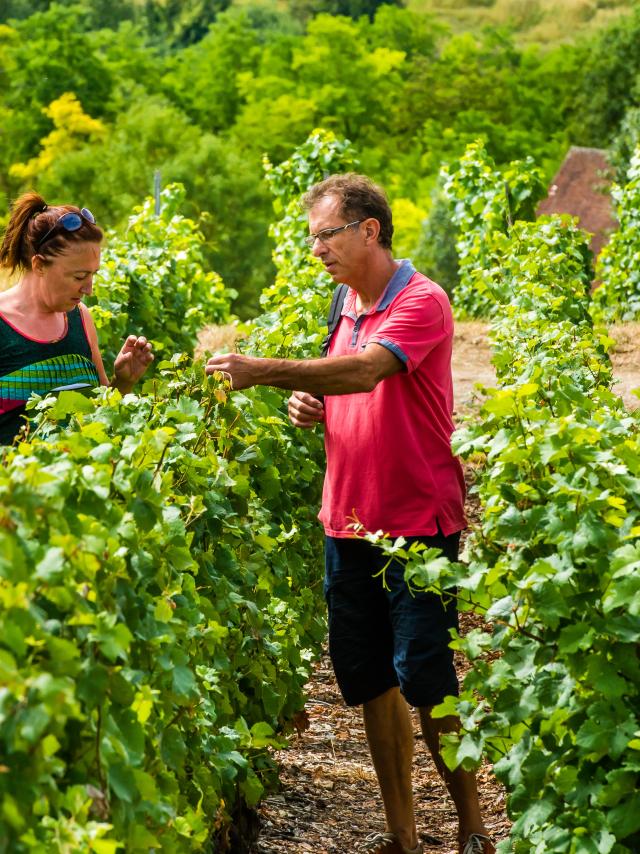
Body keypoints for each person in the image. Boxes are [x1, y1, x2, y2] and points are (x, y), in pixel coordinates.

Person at [205, 173, 495, 854]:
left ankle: (474, 828)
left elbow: (367, 372)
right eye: (312, 238)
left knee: (428, 679)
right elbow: (345, 387)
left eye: (325, 235)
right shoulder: (345, 301)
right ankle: (402, 836)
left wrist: (265, 370)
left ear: (370, 230)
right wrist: (311, 404)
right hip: (348, 520)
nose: (316, 250)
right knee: (370, 682)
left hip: (416, 522)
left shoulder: (422, 301)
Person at [0, 191, 153, 445]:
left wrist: (124, 383)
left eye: (93, 275)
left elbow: (102, 415)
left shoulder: (81, 319)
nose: (89, 288)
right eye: (79, 277)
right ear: (39, 265)